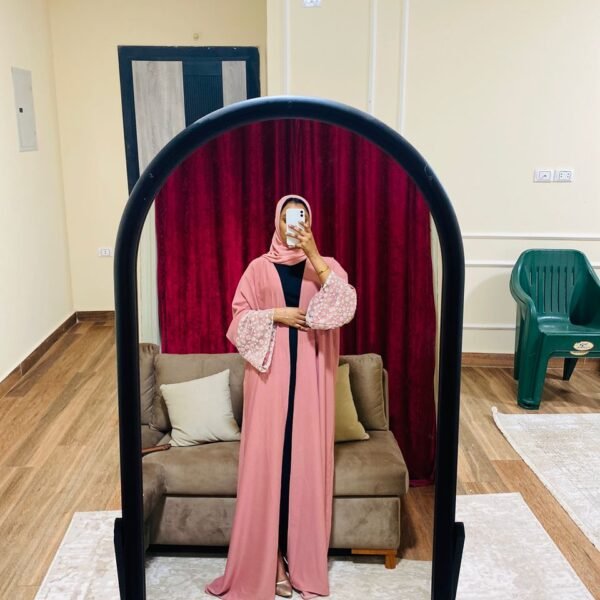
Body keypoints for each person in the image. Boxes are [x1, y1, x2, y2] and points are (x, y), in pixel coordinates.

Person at [205, 193, 357, 599]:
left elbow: (345, 306)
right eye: (290, 216)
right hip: (269, 381)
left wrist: (314, 253)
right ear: (277, 221)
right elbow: (238, 321)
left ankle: (297, 561)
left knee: (301, 467)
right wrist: (277, 315)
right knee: (270, 467)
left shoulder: (327, 267)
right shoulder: (258, 268)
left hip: (312, 382)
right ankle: (268, 563)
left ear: (310, 221)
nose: (295, 223)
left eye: (302, 216)